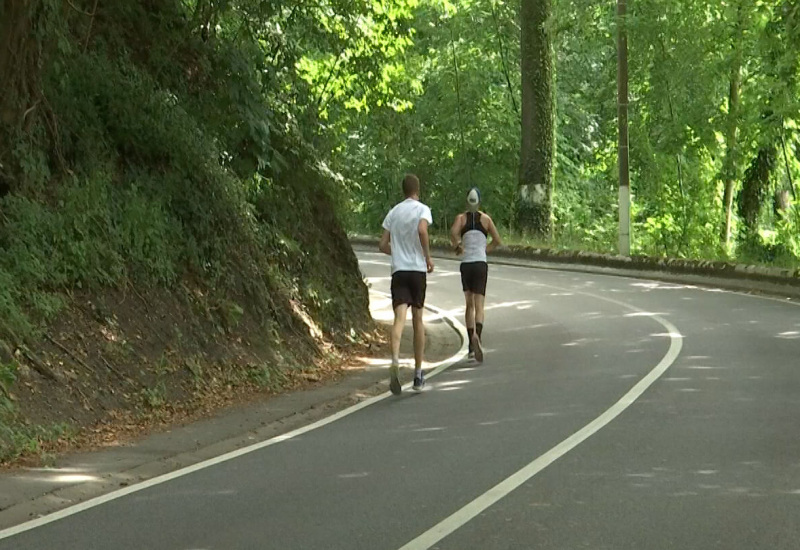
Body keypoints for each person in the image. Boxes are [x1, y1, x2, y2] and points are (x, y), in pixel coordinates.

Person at [379, 174, 434, 394]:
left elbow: (382, 244)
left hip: (399, 271)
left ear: (403, 190)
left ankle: (394, 360)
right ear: (417, 189)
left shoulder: (393, 212)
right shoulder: (422, 209)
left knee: (399, 319)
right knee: (418, 320)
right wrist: (427, 257)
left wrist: (397, 253)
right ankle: (418, 375)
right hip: (417, 271)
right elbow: (422, 230)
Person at [449, 187, 502, 363]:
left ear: (467, 201)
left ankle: (471, 348)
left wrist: (458, 245)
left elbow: (453, 233)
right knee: (480, 305)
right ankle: (477, 336)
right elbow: (497, 240)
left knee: (469, 305)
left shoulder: (461, 218)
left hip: (466, 264)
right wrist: (485, 250)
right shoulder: (486, 219)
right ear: (479, 201)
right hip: (480, 264)